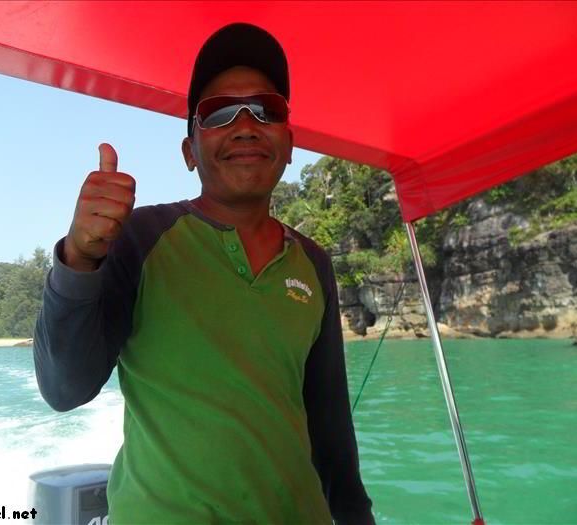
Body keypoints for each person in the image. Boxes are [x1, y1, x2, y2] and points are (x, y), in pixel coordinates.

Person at [34, 23, 375, 525]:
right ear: (190, 151)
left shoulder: (313, 262)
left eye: (267, 110)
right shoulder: (139, 237)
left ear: (289, 142)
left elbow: (329, 423)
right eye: (218, 113)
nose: (245, 124)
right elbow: (64, 389)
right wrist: (80, 258)